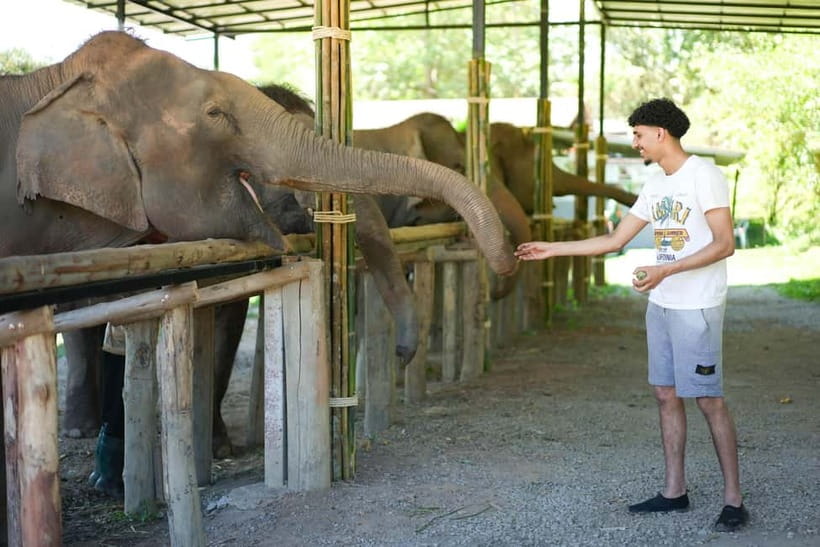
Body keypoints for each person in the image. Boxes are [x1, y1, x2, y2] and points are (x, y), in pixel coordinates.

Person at [515, 98, 748, 532]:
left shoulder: (705, 175)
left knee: (708, 399)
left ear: (661, 133)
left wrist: (666, 269)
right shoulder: (656, 184)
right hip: (660, 304)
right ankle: (674, 492)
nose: (636, 143)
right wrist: (551, 248)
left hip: (696, 305)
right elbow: (615, 240)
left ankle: (733, 499)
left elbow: (724, 244)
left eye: (639, 135)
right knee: (664, 395)